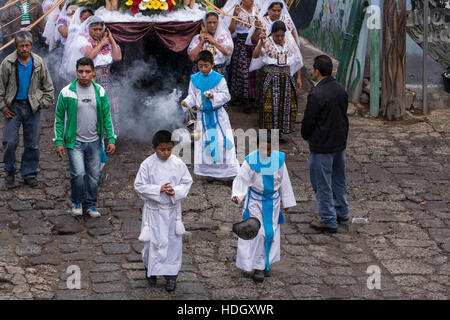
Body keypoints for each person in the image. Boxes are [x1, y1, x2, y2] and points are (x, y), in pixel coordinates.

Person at [54, 57, 116, 217]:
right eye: (80, 71)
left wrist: (111, 138)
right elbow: (59, 118)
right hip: (74, 142)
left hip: (95, 141)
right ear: (76, 72)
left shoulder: (100, 92)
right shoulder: (67, 92)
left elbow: (107, 116)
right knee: (79, 174)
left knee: (94, 176)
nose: (84, 75)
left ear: (93, 72)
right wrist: (59, 141)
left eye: (87, 72)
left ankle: (90, 205)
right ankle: (77, 202)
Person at [231, 132, 296, 282]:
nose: (266, 153)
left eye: (269, 149)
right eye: (263, 149)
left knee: (270, 233)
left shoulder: (279, 160)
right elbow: (241, 179)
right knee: (258, 233)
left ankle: (266, 263)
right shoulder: (251, 161)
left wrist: (286, 202)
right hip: (255, 202)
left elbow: (284, 181)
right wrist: (237, 195)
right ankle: (258, 266)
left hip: (272, 202)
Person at [134, 130, 193, 292]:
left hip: (172, 212)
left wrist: (176, 191)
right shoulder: (147, 164)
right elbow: (139, 186)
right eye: (162, 150)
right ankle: (151, 271)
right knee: (151, 245)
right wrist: (157, 189)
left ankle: (171, 276)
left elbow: (187, 182)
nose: (166, 153)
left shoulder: (178, 164)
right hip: (153, 212)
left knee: (172, 245)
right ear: (154, 148)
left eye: (169, 149)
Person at [301, 55, 349, 233]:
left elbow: (308, 122)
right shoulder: (340, 89)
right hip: (338, 143)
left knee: (321, 183)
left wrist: (307, 136)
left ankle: (328, 219)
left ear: (317, 71)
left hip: (322, 145)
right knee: (338, 180)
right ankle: (341, 211)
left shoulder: (316, 94)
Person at [0, 30, 54, 188]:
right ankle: (9, 171)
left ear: (31, 45)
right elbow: (0, 88)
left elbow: (49, 88)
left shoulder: (38, 62)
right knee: (9, 142)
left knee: (33, 144)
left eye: (27, 45)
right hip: (13, 107)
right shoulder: (7, 63)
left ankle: (29, 173)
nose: (24, 48)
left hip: (32, 107)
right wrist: (3, 107)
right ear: (16, 46)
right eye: (21, 45)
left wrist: (40, 103)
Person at [181, 50, 239, 182]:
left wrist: (214, 96)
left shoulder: (219, 79)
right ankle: (210, 173)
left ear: (212, 64)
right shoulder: (195, 79)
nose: (203, 69)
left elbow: (226, 95)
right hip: (202, 118)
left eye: (206, 66)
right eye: (200, 66)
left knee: (222, 143)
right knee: (205, 144)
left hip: (218, 117)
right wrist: (186, 102)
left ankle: (229, 173)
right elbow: (192, 95)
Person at [251, 20, 303, 142]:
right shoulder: (266, 42)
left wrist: (298, 77)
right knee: (269, 106)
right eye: (277, 35)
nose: (279, 38)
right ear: (272, 34)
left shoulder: (290, 43)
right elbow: (255, 55)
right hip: (270, 77)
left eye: (282, 35)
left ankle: (279, 134)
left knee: (284, 106)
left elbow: (297, 60)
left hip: (286, 78)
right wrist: (260, 42)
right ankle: (268, 135)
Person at [80, 16, 122, 136]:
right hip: (93, 78)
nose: (98, 32)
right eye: (95, 29)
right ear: (88, 29)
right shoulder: (84, 40)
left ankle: (108, 136)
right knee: (93, 108)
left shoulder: (106, 42)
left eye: (100, 29)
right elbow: (89, 56)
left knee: (109, 107)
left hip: (107, 78)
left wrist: (111, 38)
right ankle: (93, 136)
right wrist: (101, 43)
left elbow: (117, 57)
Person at [221, 0, 261, 114]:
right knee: (243, 72)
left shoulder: (257, 9)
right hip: (241, 42)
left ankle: (253, 98)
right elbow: (231, 30)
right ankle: (245, 100)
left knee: (255, 71)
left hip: (255, 42)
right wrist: (234, 15)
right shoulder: (237, 10)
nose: (251, 1)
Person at [188, 11, 234, 77]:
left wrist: (214, 42)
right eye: (209, 22)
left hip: (218, 72)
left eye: (214, 22)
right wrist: (201, 43)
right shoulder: (198, 38)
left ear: (218, 23)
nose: (212, 25)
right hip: (201, 73)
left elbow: (229, 52)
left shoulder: (224, 37)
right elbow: (192, 58)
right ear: (205, 24)